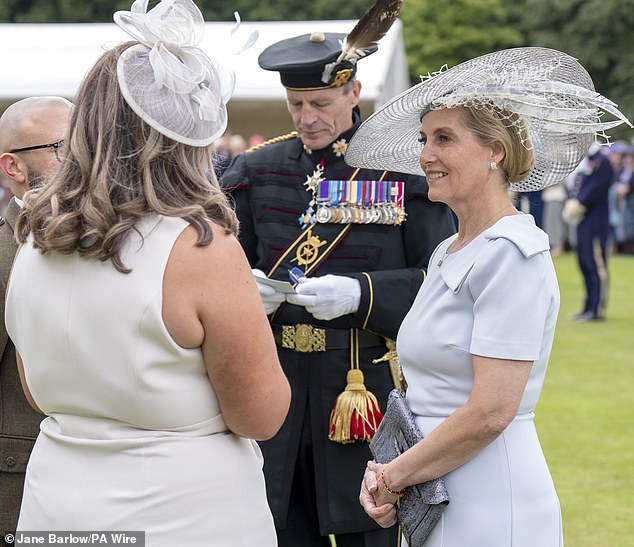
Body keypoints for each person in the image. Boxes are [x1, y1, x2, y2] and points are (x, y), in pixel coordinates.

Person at [4, 1, 290, 544]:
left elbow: (40, 394)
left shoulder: (34, 240)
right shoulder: (200, 247)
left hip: (56, 508)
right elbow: (261, 415)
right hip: (181, 515)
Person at [346, 47, 631, 545]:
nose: (425, 155)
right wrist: (396, 472)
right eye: (424, 139)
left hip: (491, 499)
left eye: (444, 138)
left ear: (495, 149)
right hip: (436, 488)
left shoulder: (512, 253)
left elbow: (491, 412)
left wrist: (392, 476)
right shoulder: (446, 251)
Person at [220, 15, 456, 547]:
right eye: (296, 104)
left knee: (365, 529)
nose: (307, 118)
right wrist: (243, 289)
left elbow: (439, 281)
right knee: (277, 520)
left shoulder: (401, 176)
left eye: (321, 104)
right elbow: (232, 262)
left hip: (360, 387)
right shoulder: (256, 170)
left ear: (353, 92)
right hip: (274, 378)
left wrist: (362, 293)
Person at [0, 95, 73, 543]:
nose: (83, 155)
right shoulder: (5, 252)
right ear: (13, 168)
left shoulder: (112, 243)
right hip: (22, 482)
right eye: (62, 146)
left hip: (108, 482)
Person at [568, 142, 614, 321]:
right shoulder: (585, 161)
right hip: (582, 220)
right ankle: (588, 306)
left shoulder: (602, 161)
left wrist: (580, 202)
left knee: (597, 264)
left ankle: (597, 308)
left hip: (596, 220)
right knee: (585, 263)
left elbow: (596, 188)